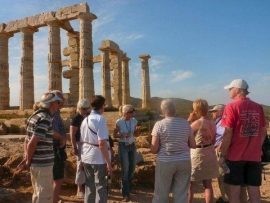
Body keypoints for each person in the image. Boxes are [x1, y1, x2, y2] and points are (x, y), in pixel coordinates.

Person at [218, 79, 267, 203]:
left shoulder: (231, 106)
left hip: (235, 156)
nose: (229, 91)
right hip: (254, 156)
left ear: (238, 90)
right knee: (254, 190)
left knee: (234, 191)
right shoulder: (258, 107)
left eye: (231, 88)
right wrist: (257, 148)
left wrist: (222, 156)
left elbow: (228, 133)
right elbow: (263, 132)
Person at [17, 92, 63, 203]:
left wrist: (27, 157)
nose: (59, 105)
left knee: (38, 194)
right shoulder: (45, 118)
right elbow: (32, 143)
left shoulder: (34, 116)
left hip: (37, 163)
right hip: (43, 165)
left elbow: (27, 140)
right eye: (58, 102)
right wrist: (27, 161)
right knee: (45, 196)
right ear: (52, 104)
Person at [150, 99, 196, 203]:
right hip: (184, 161)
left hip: (165, 161)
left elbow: (153, 149)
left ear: (163, 111)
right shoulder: (185, 123)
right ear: (175, 110)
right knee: (182, 194)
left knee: (161, 192)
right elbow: (193, 145)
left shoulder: (159, 124)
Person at [80, 95, 112, 203]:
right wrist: (108, 162)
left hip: (86, 156)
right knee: (101, 186)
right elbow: (102, 143)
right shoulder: (100, 119)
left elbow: (82, 140)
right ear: (102, 106)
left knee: (89, 186)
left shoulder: (85, 119)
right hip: (98, 157)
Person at [187, 99, 219, 203]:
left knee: (190, 184)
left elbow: (184, 133)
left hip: (198, 153)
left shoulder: (197, 123)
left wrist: (189, 119)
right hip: (210, 152)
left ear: (196, 110)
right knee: (208, 184)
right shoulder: (213, 123)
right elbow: (214, 140)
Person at [113, 104, 140, 202]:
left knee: (132, 167)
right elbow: (115, 135)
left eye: (133, 111)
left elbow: (136, 135)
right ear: (125, 113)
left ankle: (128, 188)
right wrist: (121, 135)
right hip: (123, 146)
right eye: (131, 112)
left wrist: (137, 131)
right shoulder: (119, 122)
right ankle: (125, 194)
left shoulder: (134, 121)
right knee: (125, 169)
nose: (133, 113)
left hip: (132, 145)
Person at [70, 99, 90, 198]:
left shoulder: (88, 116)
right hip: (80, 144)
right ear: (79, 108)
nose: (85, 110)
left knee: (88, 165)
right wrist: (74, 147)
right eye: (83, 109)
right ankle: (79, 189)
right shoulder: (76, 118)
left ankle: (87, 187)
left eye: (87, 108)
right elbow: (72, 134)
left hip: (88, 144)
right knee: (80, 166)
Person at [209, 104, 229, 203]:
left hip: (220, 152)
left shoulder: (221, 122)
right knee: (222, 176)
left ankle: (227, 199)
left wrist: (220, 146)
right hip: (221, 151)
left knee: (222, 176)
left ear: (220, 112)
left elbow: (226, 134)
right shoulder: (219, 122)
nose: (212, 113)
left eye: (213, 111)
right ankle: (225, 198)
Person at [51, 90, 67, 203]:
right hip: (54, 149)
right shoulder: (52, 114)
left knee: (56, 178)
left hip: (56, 149)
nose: (64, 102)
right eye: (61, 100)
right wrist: (62, 138)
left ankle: (53, 198)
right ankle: (53, 200)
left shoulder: (56, 113)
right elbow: (50, 131)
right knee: (58, 179)